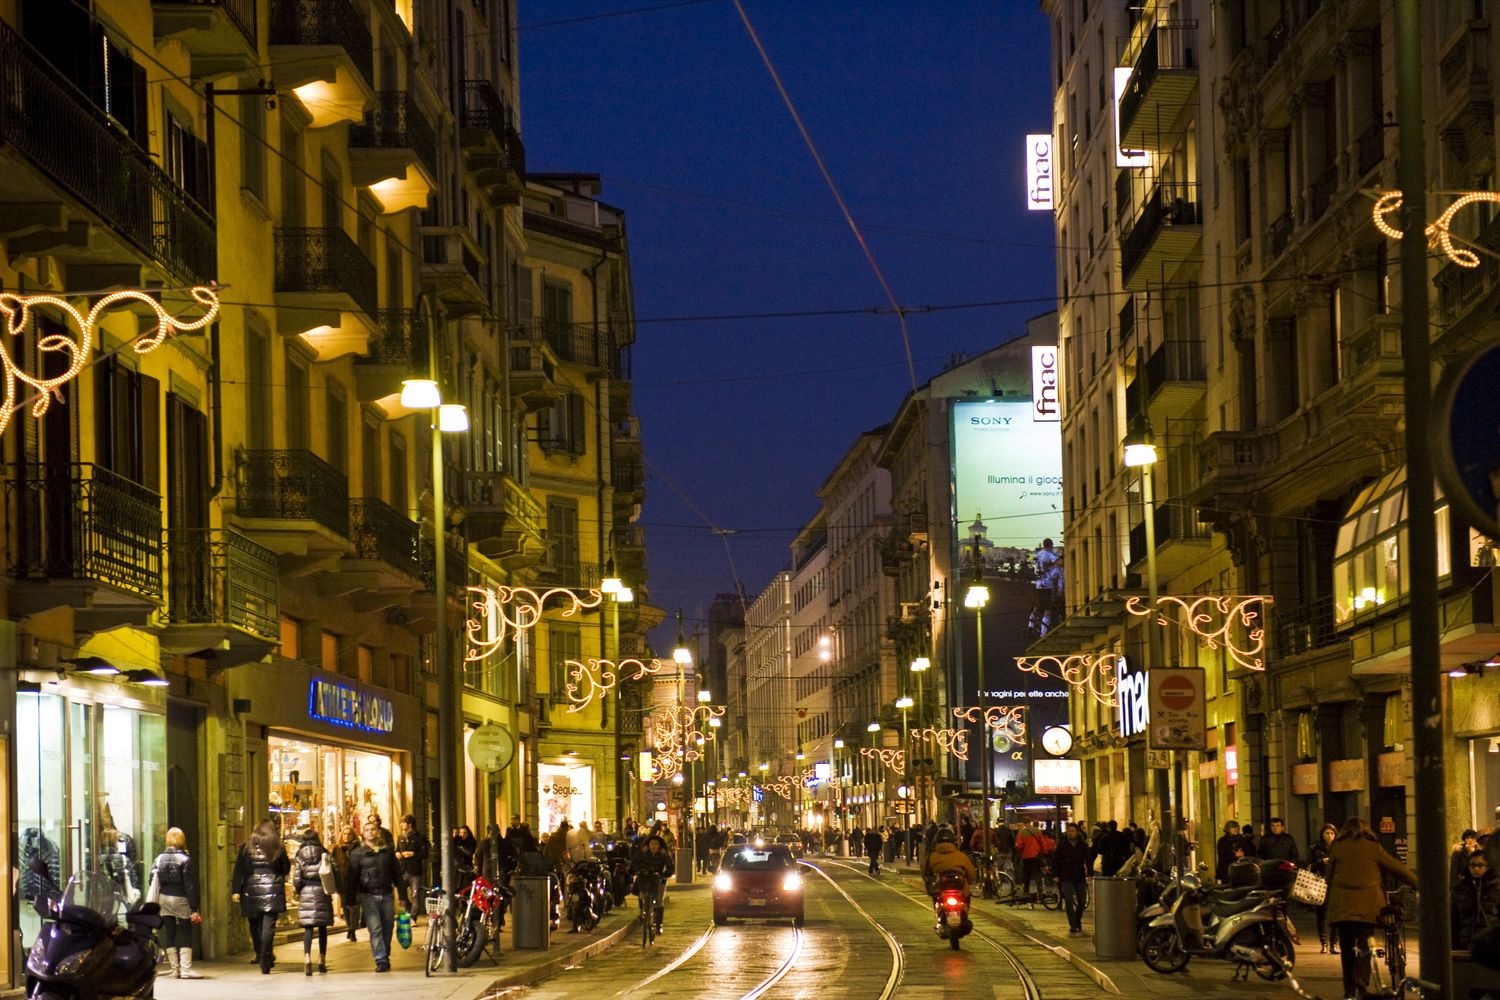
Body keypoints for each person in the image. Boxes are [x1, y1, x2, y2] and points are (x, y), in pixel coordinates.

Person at [1326, 816, 1417, 1000]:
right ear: (1366, 830)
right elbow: (1397, 868)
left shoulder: (1336, 847)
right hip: (1367, 906)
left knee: (1346, 946)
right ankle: (1362, 980)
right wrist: (1417, 883)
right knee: (1364, 943)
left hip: (1342, 906)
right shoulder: (1373, 847)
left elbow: (1328, 878)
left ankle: (1349, 989)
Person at [344, 828, 407, 973]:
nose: (370, 832)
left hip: (387, 894)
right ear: (363, 834)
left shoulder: (387, 851)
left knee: (387, 928)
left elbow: (397, 874)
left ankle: (385, 954)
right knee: (375, 929)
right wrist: (350, 900)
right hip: (368, 896)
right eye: (367, 830)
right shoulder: (357, 853)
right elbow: (351, 878)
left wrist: (403, 896)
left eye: (373, 830)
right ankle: (381, 959)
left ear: (377, 833)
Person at [232, 821, 289, 975]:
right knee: (268, 927)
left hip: (252, 890)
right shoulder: (278, 847)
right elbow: (286, 868)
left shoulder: (246, 848)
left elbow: (240, 869)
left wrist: (236, 890)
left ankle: (261, 953)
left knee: (255, 925)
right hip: (273, 891)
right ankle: (265, 956)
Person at [149, 827, 203, 979]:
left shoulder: (159, 858)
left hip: (164, 898)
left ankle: (175, 969)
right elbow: (190, 885)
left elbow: (150, 880)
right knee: (186, 931)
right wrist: (194, 907)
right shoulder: (185, 860)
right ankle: (186, 969)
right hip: (180, 898)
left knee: (170, 932)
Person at [292, 827, 333, 976]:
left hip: (307, 891)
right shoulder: (324, 852)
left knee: (308, 928)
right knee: (322, 929)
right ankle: (321, 960)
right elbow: (330, 872)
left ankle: (307, 958)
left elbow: (297, 878)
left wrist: (298, 890)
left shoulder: (300, 855)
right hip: (322, 891)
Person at [1453, 847, 1499, 950]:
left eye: (1480, 865)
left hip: (1491, 944)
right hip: (1465, 942)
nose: (1476, 869)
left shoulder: (1496, 887)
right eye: (1472, 865)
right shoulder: (1460, 889)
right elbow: (1454, 919)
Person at [1053, 822, 1094, 935]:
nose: (1070, 833)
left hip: (1079, 876)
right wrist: (1055, 875)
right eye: (1069, 831)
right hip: (1065, 876)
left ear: (1077, 832)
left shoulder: (1082, 845)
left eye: (1072, 831)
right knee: (1069, 900)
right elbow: (1056, 860)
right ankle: (1073, 925)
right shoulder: (1062, 845)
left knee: (1082, 901)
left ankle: (1077, 918)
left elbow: (1088, 860)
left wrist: (1090, 873)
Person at [922, 827, 977, 901]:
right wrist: (967, 883)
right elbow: (971, 874)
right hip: (961, 891)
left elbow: (925, 873)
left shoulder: (931, 857)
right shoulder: (961, 856)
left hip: (939, 891)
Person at [633, 835, 674, 932]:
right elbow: (635, 863)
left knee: (659, 900)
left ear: (659, 846)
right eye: (652, 844)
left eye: (656, 844)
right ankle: (642, 910)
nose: (653, 846)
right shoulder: (644, 853)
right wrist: (639, 870)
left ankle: (659, 925)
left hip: (659, 878)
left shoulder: (663, 854)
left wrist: (664, 874)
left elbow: (670, 867)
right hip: (646, 877)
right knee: (642, 893)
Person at [1309, 823, 1338, 954]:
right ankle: (1324, 943)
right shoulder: (1315, 848)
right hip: (1319, 883)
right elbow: (1309, 866)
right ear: (1322, 834)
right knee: (1321, 914)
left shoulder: (1338, 847)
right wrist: (1321, 862)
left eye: (1332, 833)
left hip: (1335, 883)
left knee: (1336, 914)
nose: (1329, 836)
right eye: (1327, 833)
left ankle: (1334, 944)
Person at [395, 815, 430, 912]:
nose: (401, 824)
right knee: (402, 893)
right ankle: (408, 910)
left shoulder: (419, 837)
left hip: (415, 871)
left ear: (410, 824)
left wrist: (413, 854)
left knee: (415, 895)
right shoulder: (400, 837)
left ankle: (413, 917)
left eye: (403, 822)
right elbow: (397, 849)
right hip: (403, 870)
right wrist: (397, 853)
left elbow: (425, 854)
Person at [332, 825, 361, 942]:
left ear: (353, 835)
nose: (346, 836)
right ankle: (350, 926)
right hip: (342, 883)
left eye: (349, 834)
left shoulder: (358, 848)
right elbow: (332, 865)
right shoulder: (336, 849)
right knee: (346, 906)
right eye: (344, 834)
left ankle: (352, 930)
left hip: (356, 882)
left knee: (354, 907)